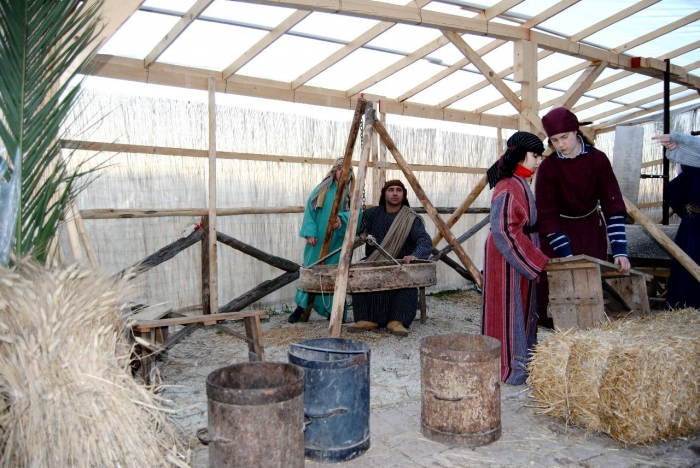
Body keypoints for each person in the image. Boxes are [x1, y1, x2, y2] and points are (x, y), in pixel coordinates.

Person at [535, 107, 631, 328]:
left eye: (565, 137)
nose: (561, 145)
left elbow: (613, 204)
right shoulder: (549, 167)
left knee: (588, 288)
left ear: (576, 131)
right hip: (558, 234)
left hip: (590, 232)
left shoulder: (598, 160)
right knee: (555, 290)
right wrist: (567, 257)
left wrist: (620, 250)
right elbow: (547, 214)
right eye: (554, 140)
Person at [482, 131, 550, 385]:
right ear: (520, 156)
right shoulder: (508, 185)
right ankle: (509, 366)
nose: (539, 161)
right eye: (535, 155)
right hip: (506, 256)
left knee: (519, 307)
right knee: (507, 307)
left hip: (513, 251)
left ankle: (519, 361)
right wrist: (533, 259)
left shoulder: (519, 182)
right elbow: (503, 229)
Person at [347, 180, 432, 336]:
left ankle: (397, 321)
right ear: (384, 194)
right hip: (375, 263)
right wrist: (341, 219)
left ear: (403, 194)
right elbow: (353, 225)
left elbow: (425, 241)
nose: (394, 193)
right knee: (359, 273)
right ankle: (367, 319)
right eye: (391, 190)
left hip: (399, 263)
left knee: (408, 276)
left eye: (398, 190)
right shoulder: (371, 214)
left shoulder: (410, 218)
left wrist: (415, 256)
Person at [288, 158, 354, 323]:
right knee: (310, 271)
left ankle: (334, 312)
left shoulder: (352, 193)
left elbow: (357, 214)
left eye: (346, 170)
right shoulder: (321, 190)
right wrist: (310, 233)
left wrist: (342, 219)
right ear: (334, 171)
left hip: (338, 242)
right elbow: (310, 212)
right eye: (340, 170)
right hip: (317, 241)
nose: (343, 173)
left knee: (334, 274)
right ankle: (301, 308)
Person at [653, 132, 700, 309]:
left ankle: (684, 305)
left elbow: (673, 190)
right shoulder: (695, 162)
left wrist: (688, 213)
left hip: (692, 223)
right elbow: (673, 189)